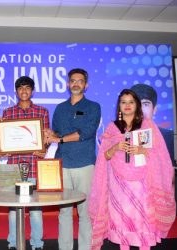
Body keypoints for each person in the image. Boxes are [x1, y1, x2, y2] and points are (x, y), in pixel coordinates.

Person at [88, 89, 176, 250]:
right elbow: (104, 157)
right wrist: (115, 147)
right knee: (121, 220)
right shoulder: (112, 127)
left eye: (131, 102)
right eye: (123, 102)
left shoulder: (147, 125)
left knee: (140, 220)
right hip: (118, 185)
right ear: (119, 106)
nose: (127, 106)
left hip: (141, 184)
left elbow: (160, 153)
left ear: (137, 105)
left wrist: (142, 151)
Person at [45, 68, 101, 250]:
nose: (76, 83)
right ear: (68, 84)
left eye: (80, 81)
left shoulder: (93, 107)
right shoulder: (60, 108)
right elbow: (57, 133)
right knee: (64, 211)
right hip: (63, 165)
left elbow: (86, 132)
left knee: (85, 212)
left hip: (84, 165)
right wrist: (48, 134)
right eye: (73, 81)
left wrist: (58, 138)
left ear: (86, 85)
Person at [2, 76, 49, 250]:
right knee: (14, 210)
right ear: (16, 91)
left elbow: (45, 138)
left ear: (32, 91)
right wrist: (3, 147)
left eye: (27, 88)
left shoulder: (42, 112)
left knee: (36, 209)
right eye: (20, 88)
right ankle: (13, 243)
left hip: (35, 166)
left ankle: (37, 243)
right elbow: (5, 138)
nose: (24, 91)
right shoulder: (8, 113)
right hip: (13, 166)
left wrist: (44, 146)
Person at [130, 83, 175, 165]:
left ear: (154, 109)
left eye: (145, 104)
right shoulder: (119, 137)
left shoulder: (169, 138)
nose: (140, 110)